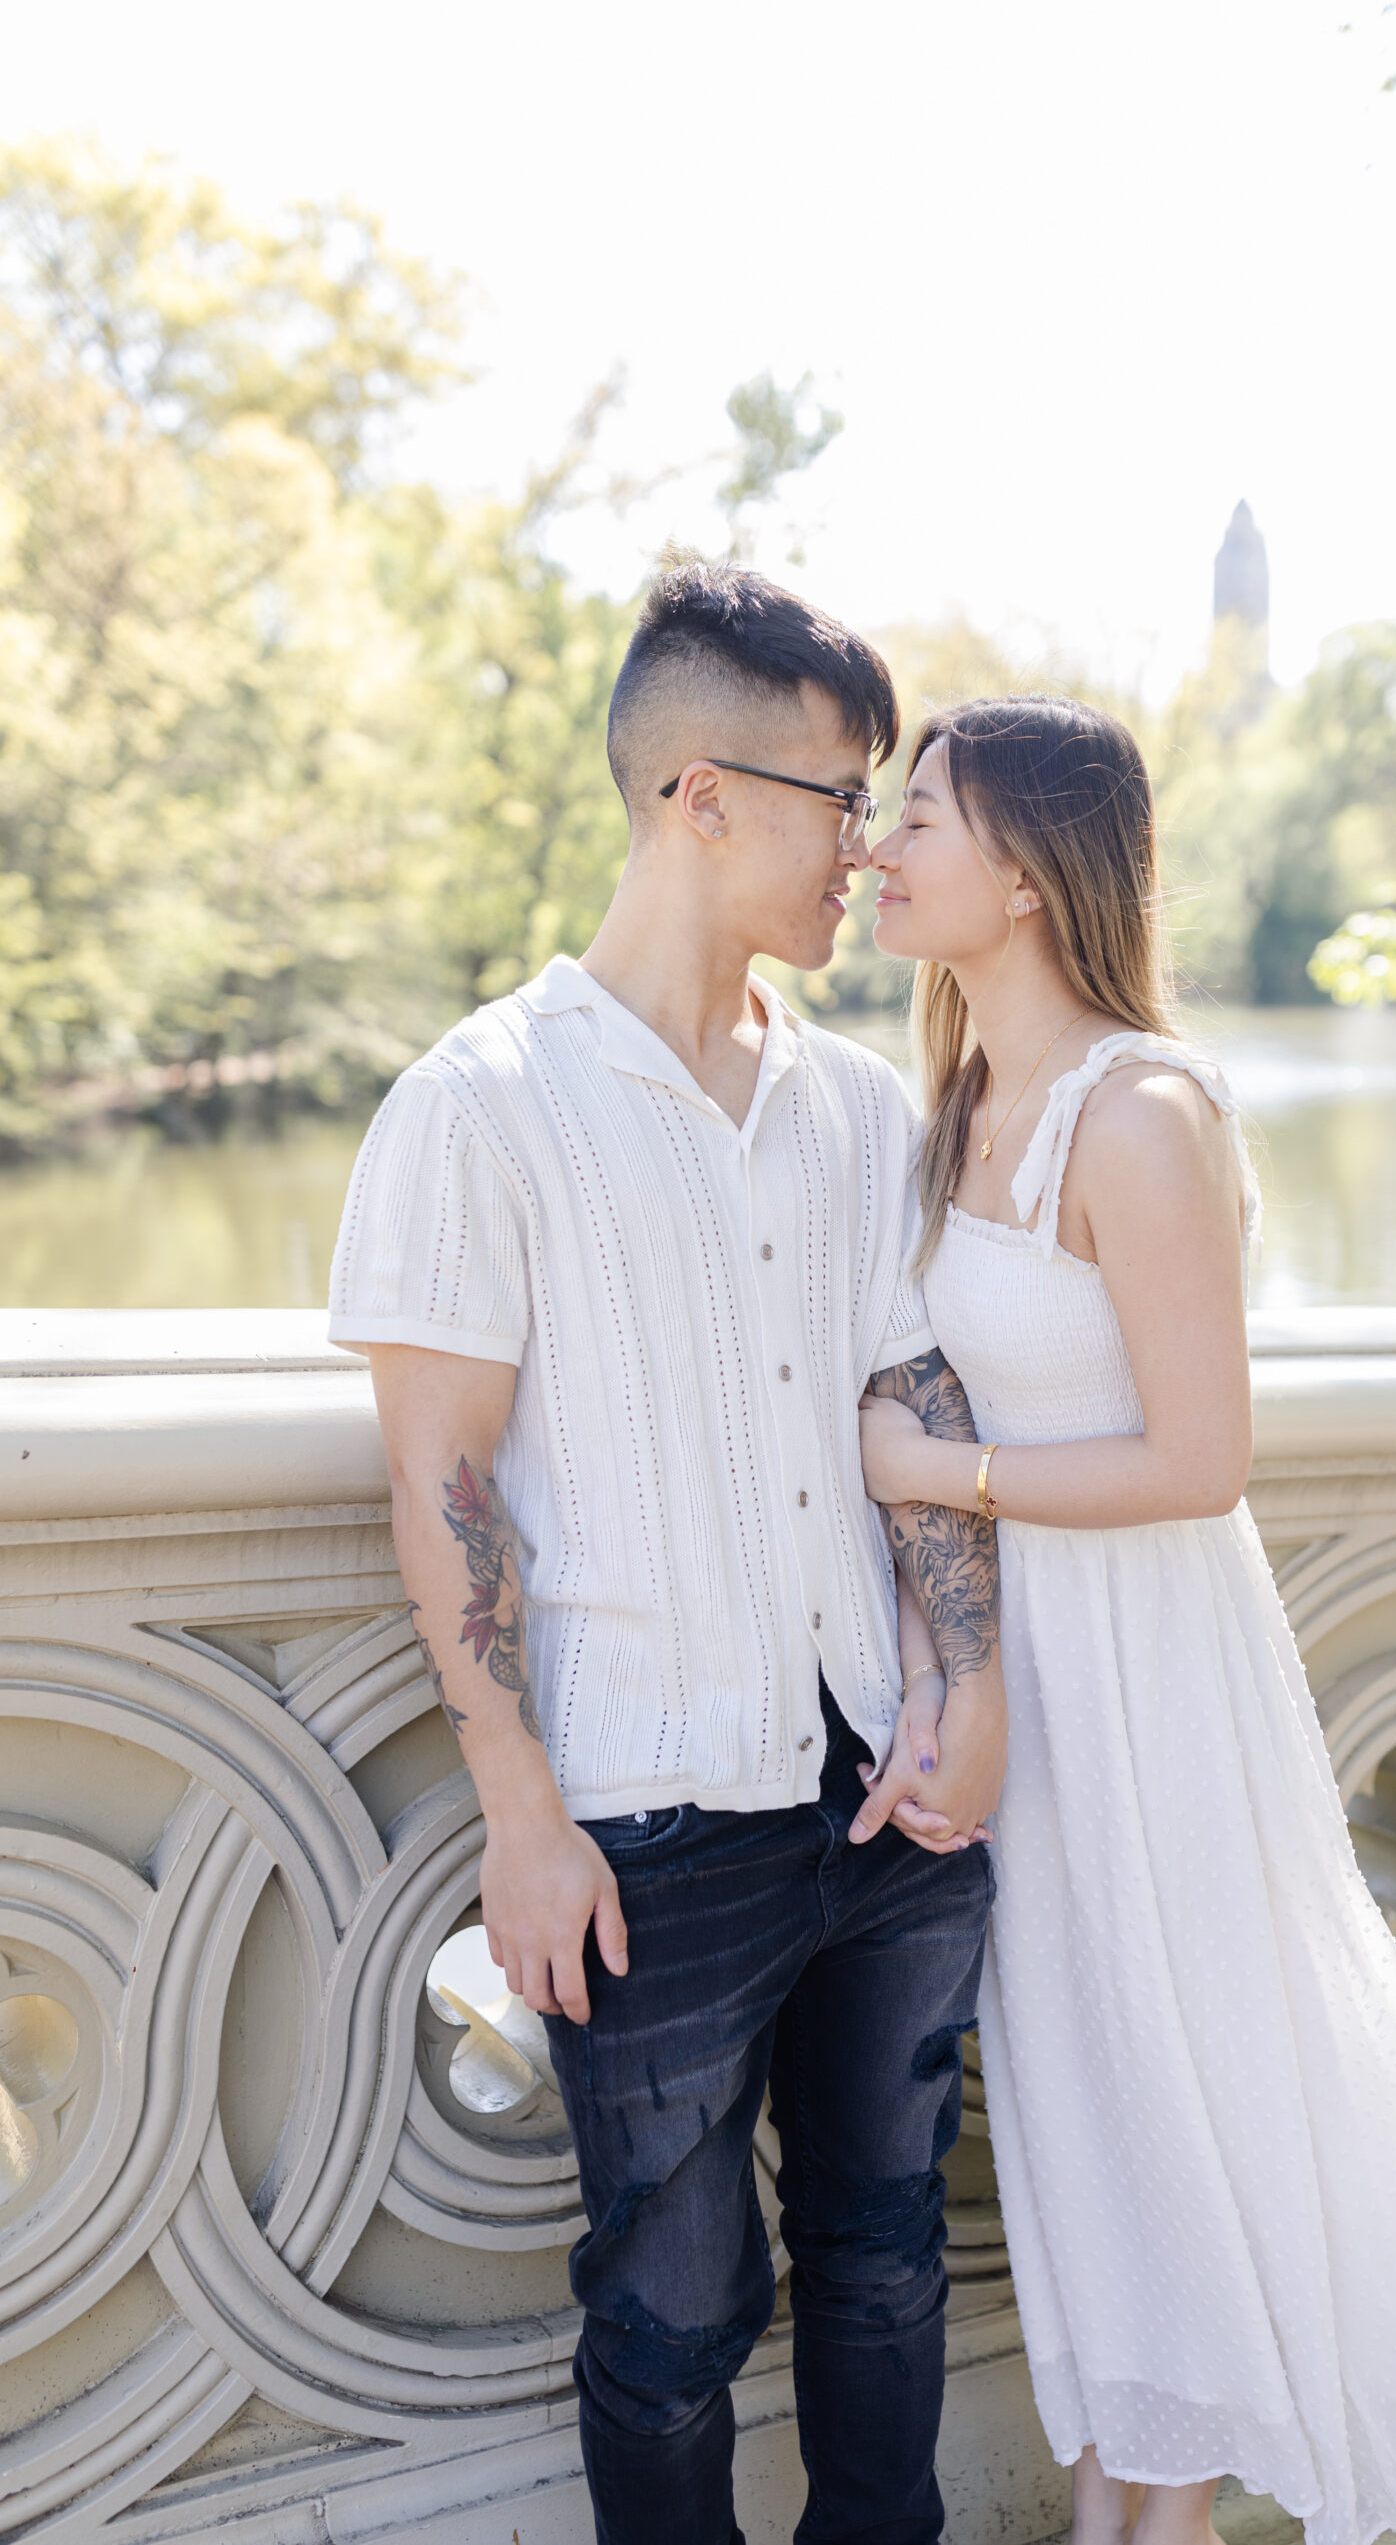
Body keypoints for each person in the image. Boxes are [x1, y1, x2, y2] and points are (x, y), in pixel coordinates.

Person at [856, 698, 1396, 2545]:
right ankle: (1135, 2510)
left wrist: (938, 1481)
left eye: (921, 817)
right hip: (1027, 1683)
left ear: (1024, 874)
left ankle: (1166, 2522)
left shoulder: (1143, 1112)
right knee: (1094, 2123)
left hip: (1153, 1678)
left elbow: (1202, 1458)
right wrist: (946, 1661)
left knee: (1176, 2101)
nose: (880, 846)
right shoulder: (955, 1103)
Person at [328, 566, 1006, 2545]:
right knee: (669, 2309)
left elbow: (917, 1413)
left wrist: (960, 1689)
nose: (864, 843)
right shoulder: (477, 1108)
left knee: (886, 2257)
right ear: (695, 795)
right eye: (836, 794)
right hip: (639, 1829)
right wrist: (517, 1809)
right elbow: (439, 1482)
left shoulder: (859, 1103)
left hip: (881, 1789)